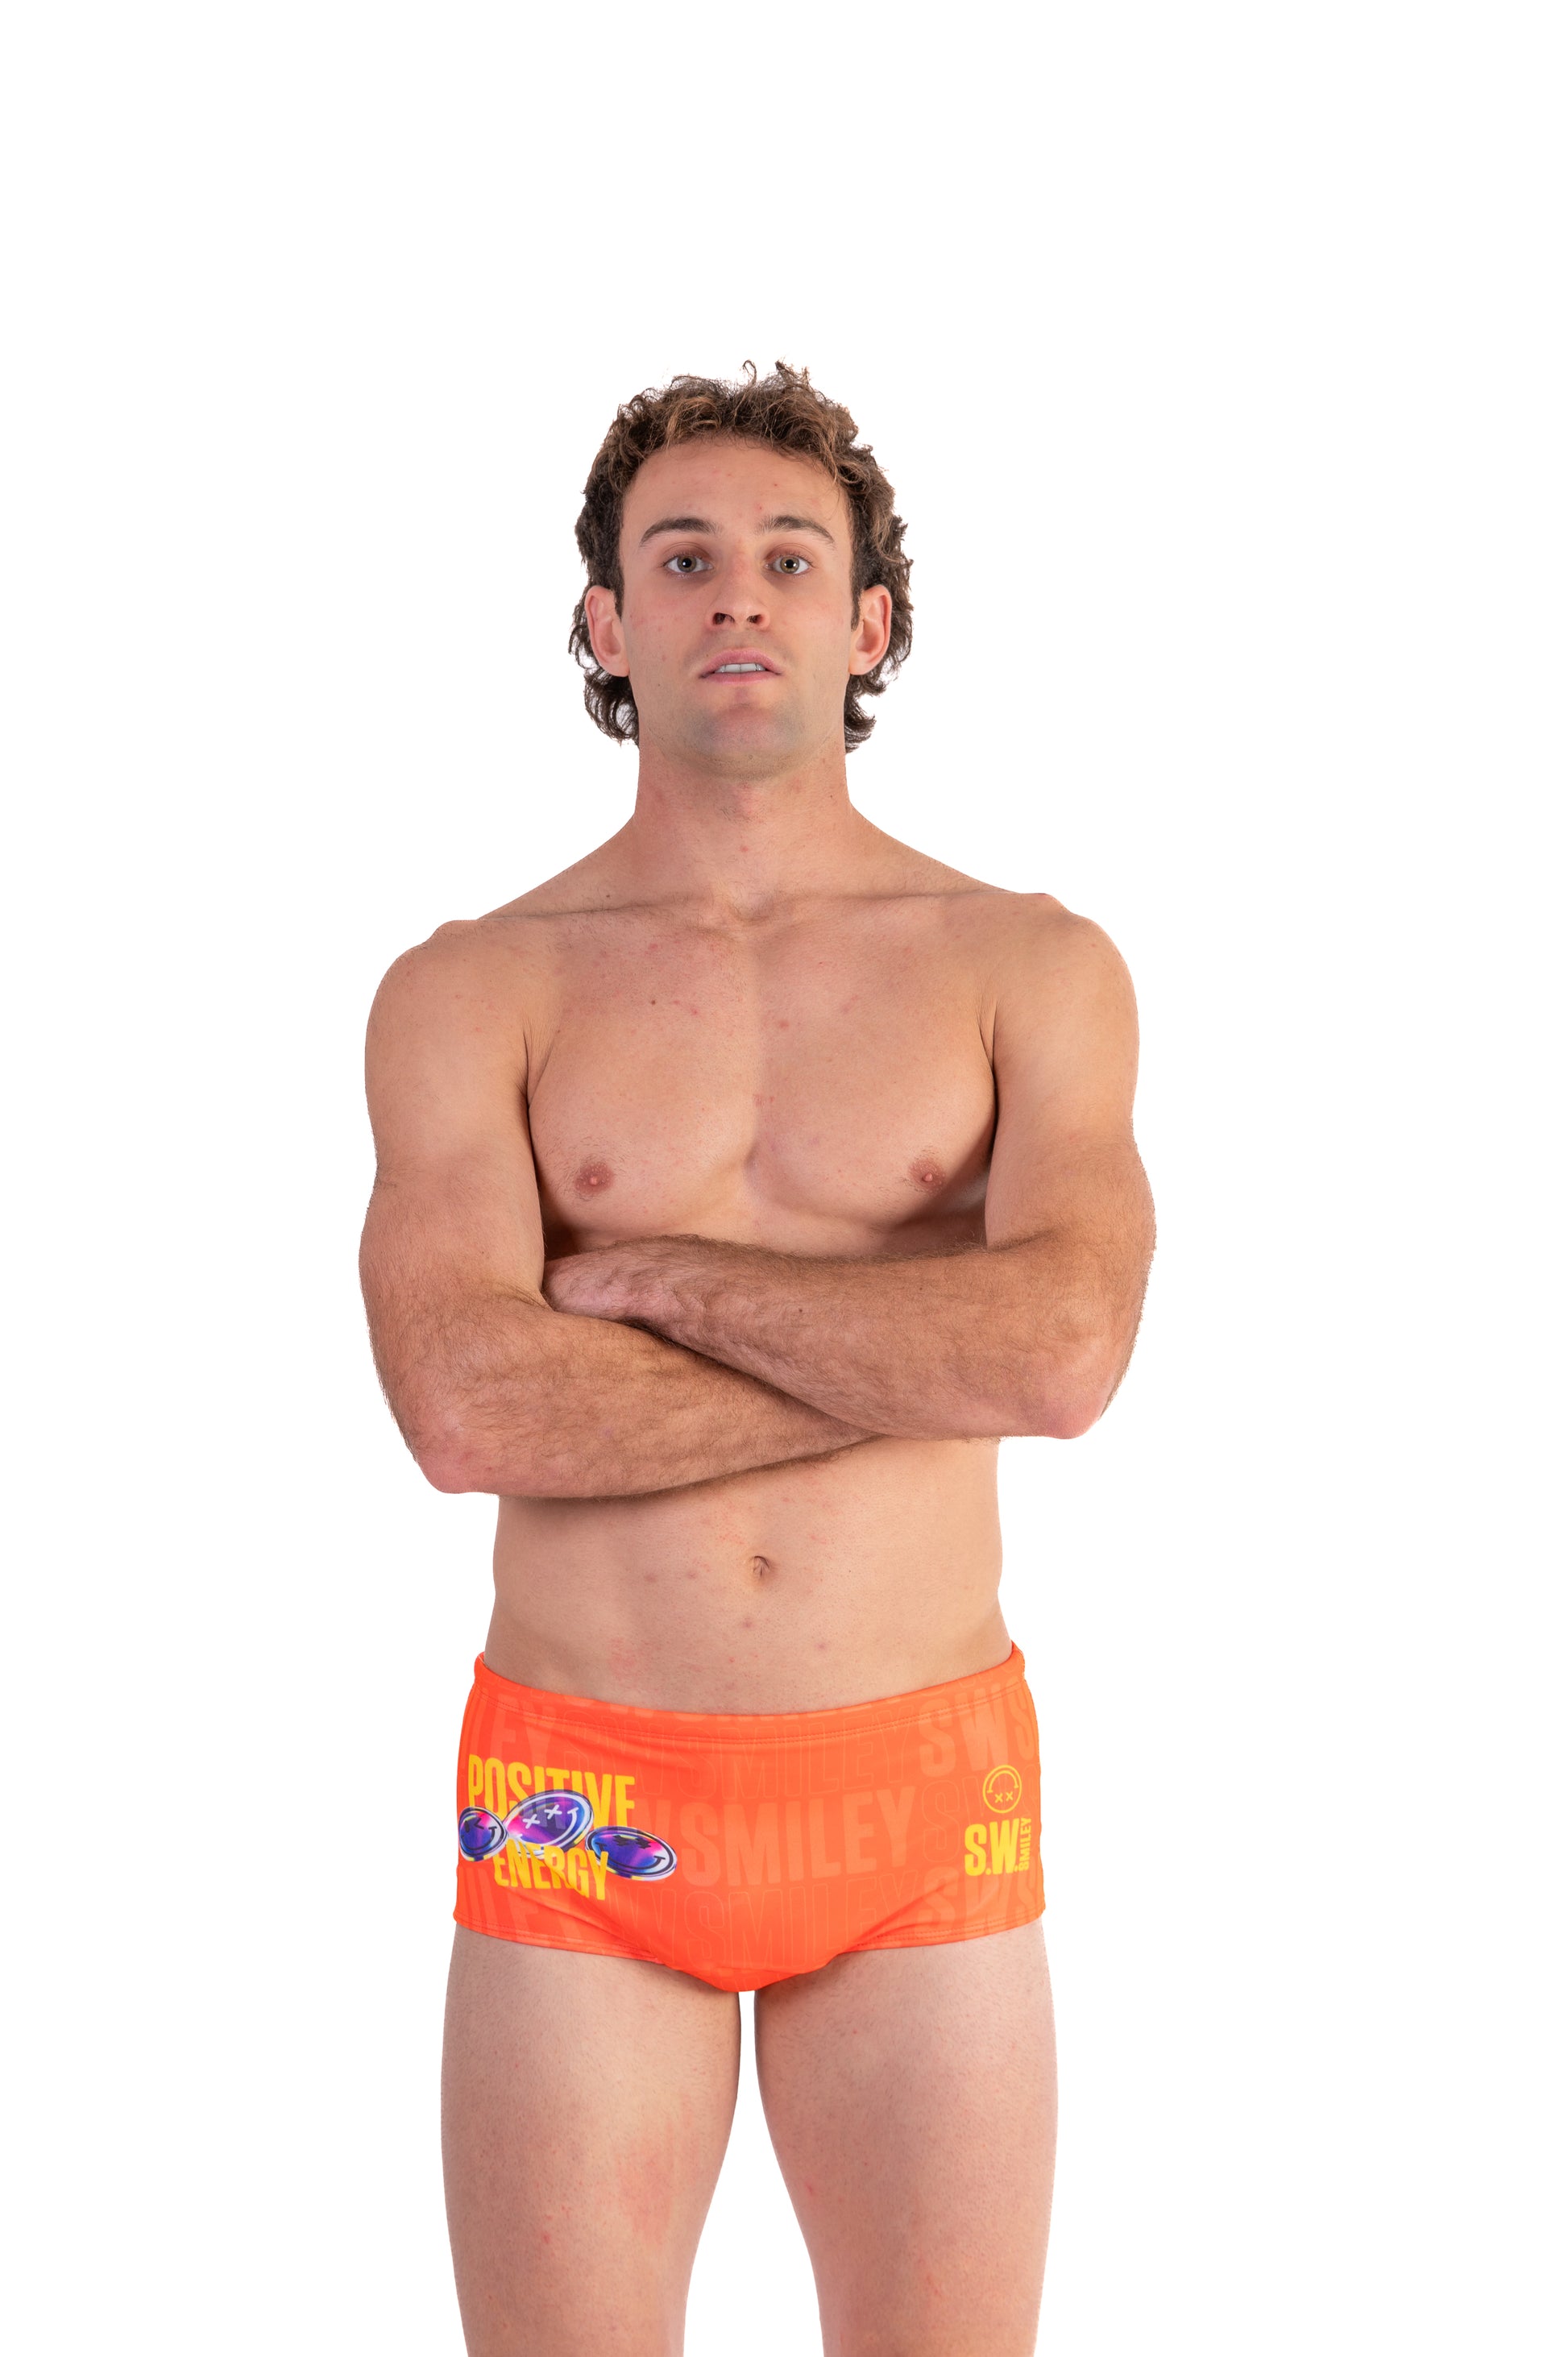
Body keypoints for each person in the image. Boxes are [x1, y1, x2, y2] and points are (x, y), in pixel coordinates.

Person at [359, 361, 1155, 2357]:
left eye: (793, 558)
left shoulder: (1028, 964)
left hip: (918, 1790)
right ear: (606, 624)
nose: (740, 592)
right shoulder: (471, 987)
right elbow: (464, 1405)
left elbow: (1064, 1353)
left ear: (867, 623)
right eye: (684, 557)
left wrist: (658, 1285)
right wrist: (915, 1347)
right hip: (578, 1791)